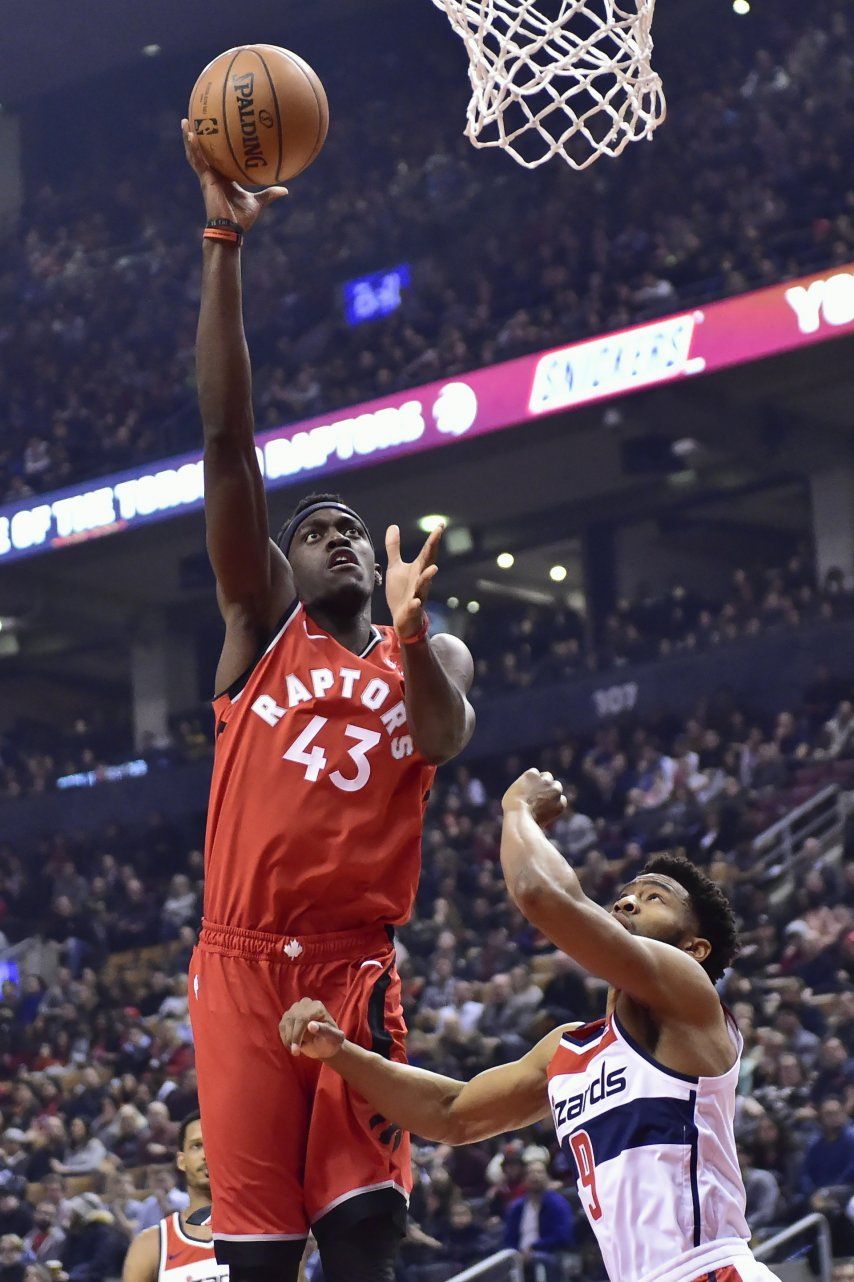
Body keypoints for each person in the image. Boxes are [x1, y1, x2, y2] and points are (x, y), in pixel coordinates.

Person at [180, 121, 475, 1282]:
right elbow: (221, 440)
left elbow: (444, 736)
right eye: (314, 530)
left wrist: (408, 639)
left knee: (363, 1235)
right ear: (283, 565)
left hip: (353, 967)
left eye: (351, 526)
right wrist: (222, 244)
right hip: (240, 965)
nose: (338, 535)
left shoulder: (430, 654)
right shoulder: (259, 633)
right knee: (257, 1265)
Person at [281, 769, 780, 1282]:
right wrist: (339, 1053)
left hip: (712, 1268)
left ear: (695, 949)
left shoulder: (689, 993)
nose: (628, 901)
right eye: (627, 894)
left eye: (655, 899)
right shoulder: (567, 1048)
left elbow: (540, 894)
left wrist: (517, 808)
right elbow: (450, 1113)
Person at [122, 1114, 227, 1282]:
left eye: (213, 1143)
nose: (206, 1154)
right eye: (197, 1146)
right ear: (181, 1161)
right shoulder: (151, 1245)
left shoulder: (256, 1228)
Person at [503, 1159, 574, 1281]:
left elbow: (563, 1236)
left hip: (548, 1254)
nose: (535, 1176)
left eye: (540, 1172)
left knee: (543, 1260)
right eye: (531, 1173)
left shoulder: (558, 1204)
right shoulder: (516, 1208)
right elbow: (508, 1238)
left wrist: (534, 1248)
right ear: (524, 1179)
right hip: (518, 1257)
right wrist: (516, 1254)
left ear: (547, 1176)